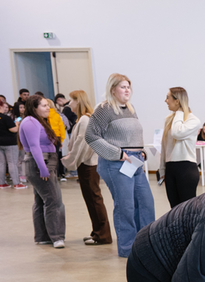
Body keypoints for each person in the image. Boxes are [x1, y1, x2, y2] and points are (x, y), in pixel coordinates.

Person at [86, 73, 155, 258]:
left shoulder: (130, 109)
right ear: (112, 89)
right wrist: (117, 153)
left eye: (128, 87)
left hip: (134, 162)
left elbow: (134, 135)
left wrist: (142, 152)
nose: (127, 90)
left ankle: (146, 245)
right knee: (126, 207)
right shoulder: (104, 109)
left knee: (146, 203)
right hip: (115, 163)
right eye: (123, 87)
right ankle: (128, 249)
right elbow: (91, 136)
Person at [61, 90, 113, 246]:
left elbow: (82, 144)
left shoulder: (84, 119)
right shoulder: (85, 118)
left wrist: (70, 160)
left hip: (87, 165)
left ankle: (102, 235)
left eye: (71, 100)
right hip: (87, 164)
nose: (69, 104)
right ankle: (97, 232)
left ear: (78, 101)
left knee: (94, 199)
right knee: (91, 199)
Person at [19, 95, 66, 248]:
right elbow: (34, 147)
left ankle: (44, 235)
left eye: (48, 105)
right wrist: (43, 168)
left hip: (45, 161)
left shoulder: (37, 121)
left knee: (41, 201)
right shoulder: (30, 122)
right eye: (44, 106)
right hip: (40, 163)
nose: (48, 108)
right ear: (34, 108)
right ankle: (57, 237)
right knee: (54, 201)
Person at [159, 87, 202, 208]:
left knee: (187, 210)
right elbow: (164, 145)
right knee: (174, 209)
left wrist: (179, 112)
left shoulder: (194, 120)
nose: (165, 101)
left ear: (177, 101)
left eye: (168, 97)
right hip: (171, 168)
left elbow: (177, 133)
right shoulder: (169, 120)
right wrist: (162, 169)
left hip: (186, 168)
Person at [0, 98, 24, 189]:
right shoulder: (5, 118)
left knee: (0, 162)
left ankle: (2, 183)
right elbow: (13, 130)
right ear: (0, 106)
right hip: (9, 143)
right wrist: (17, 124)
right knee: (12, 162)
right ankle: (17, 183)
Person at [45, 99, 67, 181]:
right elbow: (62, 128)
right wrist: (61, 140)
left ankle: (49, 173)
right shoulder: (57, 115)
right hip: (56, 137)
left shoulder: (43, 116)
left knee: (47, 157)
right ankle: (58, 174)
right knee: (56, 156)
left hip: (47, 137)